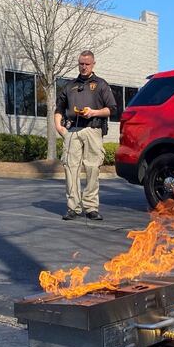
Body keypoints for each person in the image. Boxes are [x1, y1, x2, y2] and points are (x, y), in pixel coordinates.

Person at [54, 50, 117, 221]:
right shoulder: (69, 86)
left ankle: (91, 207)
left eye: (87, 64)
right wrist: (58, 126)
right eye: (81, 63)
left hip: (93, 129)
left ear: (93, 64)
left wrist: (94, 112)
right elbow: (59, 108)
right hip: (72, 130)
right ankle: (73, 207)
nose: (83, 67)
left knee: (92, 169)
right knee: (70, 169)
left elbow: (112, 109)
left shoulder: (101, 84)